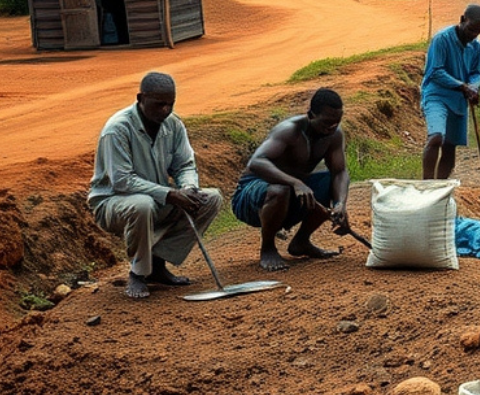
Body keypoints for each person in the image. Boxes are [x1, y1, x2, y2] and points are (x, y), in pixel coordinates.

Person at [88, 72, 223, 300]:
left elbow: (185, 165)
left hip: (157, 199)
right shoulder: (117, 129)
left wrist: (188, 188)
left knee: (211, 199)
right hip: (112, 202)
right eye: (159, 104)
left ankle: (157, 266)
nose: (165, 110)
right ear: (140, 98)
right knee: (143, 205)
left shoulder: (173, 125)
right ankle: (138, 273)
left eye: (170, 104)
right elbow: (122, 181)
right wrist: (169, 194)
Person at [231, 87, 352, 272]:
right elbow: (257, 162)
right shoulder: (289, 131)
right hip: (253, 195)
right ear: (311, 115)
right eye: (327, 123)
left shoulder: (334, 135)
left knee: (327, 181)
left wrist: (340, 204)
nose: (331, 128)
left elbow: (340, 172)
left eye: (337, 122)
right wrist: (295, 182)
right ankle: (268, 248)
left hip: (292, 196)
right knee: (281, 189)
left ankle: (301, 242)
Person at [421, 4, 480, 180]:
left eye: (477, 32)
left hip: (458, 101)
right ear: (462, 20)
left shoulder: (477, 47)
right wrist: (463, 86)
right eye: (471, 29)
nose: (473, 35)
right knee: (436, 137)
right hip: (437, 96)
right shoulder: (442, 39)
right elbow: (435, 71)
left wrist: (474, 87)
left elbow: (477, 72)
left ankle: (439, 189)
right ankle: (427, 186)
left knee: (450, 146)